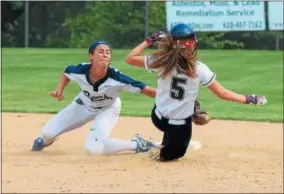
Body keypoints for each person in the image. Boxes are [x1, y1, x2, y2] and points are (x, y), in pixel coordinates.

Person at [124, 23, 267, 162]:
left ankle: (191, 110)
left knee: (184, 102)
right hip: (179, 126)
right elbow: (222, 94)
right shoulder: (198, 68)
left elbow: (130, 58)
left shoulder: (161, 60)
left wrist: (149, 40)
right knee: (171, 157)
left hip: (157, 117)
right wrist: (249, 99)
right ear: (193, 43)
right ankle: (146, 146)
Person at [31, 40, 159, 155]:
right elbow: (66, 72)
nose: (105, 54)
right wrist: (59, 90)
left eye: (108, 52)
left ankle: (137, 144)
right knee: (47, 134)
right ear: (91, 56)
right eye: (101, 51)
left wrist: (171, 97)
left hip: (108, 109)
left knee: (93, 149)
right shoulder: (80, 70)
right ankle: (47, 140)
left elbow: (146, 90)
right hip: (82, 105)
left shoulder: (117, 78)